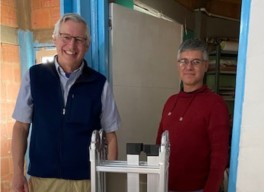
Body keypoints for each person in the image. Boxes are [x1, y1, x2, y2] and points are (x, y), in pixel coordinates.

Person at [11, 13, 121, 192]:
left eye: (79, 39)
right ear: (55, 39)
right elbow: (21, 127)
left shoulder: (100, 84)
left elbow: (111, 136)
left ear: (87, 45)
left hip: (85, 182)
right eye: (66, 37)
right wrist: (17, 173)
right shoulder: (34, 77)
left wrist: (105, 180)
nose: (71, 45)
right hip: (42, 181)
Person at [156, 39, 230, 192]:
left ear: (205, 66)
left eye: (196, 62)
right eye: (184, 61)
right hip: (165, 186)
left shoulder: (215, 104)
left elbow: (220, 157)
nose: (188, 67)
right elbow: (159, 146)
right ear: (178, 65)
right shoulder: (170, 102)